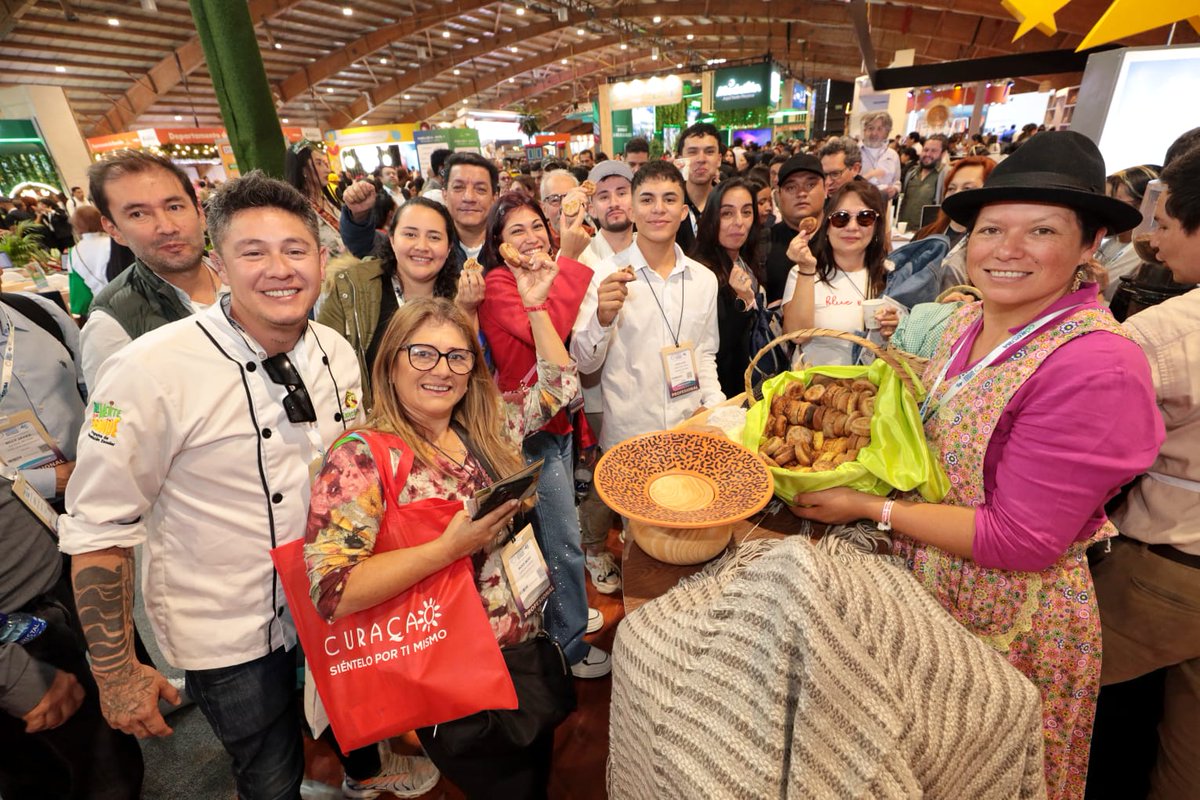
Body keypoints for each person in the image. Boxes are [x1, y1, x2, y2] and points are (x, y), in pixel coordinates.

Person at [788, 131, 1164, 800]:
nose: (1007, 250)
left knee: (982, 774)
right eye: (992, 229)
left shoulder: (1095, 365)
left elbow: (1022, 539)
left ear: (1088, 245)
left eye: (1041, 230)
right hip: (935, 592)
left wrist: (867, 507)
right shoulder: (978, 320)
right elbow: (947, 406)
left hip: (1009, 622)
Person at [60, 173, 365, 800]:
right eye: (253, 252)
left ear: (322, 259)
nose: (278, 269)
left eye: (295, 249)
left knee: (342, 724)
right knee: (267, 770)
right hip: (227, 629)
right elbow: (97, 525)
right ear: (220, 264)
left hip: (327, 602)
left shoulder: (335, 349)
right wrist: (116, 670)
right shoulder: (148, 368)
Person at [305, 289, 578, 798]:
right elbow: (332, 590)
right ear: (390, 364)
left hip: (522, 651)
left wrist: (538, 305)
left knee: (532, 774)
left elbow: (560, 388)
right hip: (452, 675)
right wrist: (448, 549)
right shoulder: (361, 458)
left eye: (457, 356)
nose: (442, 369)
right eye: (423, 353)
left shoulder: (484, 425)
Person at [0, 292, 145, 800]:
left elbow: (97, 396)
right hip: (12, 618)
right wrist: (11, 675)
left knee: (108, 751)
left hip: (65, 533)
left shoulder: (33, 312)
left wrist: (104, 459)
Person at [1090, 142, 1200, 800]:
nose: (1153, 242)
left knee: (1036, 689)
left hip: (1167, 570)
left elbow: (1083, 430)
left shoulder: (1168, 333)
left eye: (1163, 224)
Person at [477, 194, 611, 677]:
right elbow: (551, 330)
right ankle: (568, 647)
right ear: (499, 245)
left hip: (555, 420)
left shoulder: (538, 273)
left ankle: (563, 618)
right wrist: (570, 260)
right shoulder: (497, 282)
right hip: (527, 430)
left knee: (556, 534)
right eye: (517, 231)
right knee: (561, 541)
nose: (532, 237)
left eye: (537, 226)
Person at [570, 160, 724, 450]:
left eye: (669, 199)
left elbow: (704, 353)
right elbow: (584, 363)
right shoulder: (605, 275)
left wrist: (714, 406)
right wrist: (602, 319)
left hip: (690, 428)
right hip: (629, 439)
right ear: (632, 210)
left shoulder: (704, 279)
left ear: (683, 212)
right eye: (647, 199)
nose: (658, 209)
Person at [80, 149, 225, 390]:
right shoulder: (112, 325)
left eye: (175, 207)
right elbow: (110, 420)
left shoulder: (244, 277)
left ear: (199, 213)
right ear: (113, 229)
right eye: (138, 214)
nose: (167, 227)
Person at [320, 197, 483, 407]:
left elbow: (470, 374)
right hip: (369, 426)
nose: (422, 246)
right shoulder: (352, 288)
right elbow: (323, 366)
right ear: (391, 239)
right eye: (410, 234)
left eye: (434, 237)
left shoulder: (463, 295)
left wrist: (466, 311)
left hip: (440, 426)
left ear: (449, 247)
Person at [689, 177, 787, 397]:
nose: (739, 222)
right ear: (712, 217)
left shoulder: (745, 259)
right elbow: (711, 349)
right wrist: (741, 303)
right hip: (721, 392)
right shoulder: (700, 272)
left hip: (753, 383)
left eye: (746, 212)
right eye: (727, 213)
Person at [781, 182, 889, 365]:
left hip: (873, 387)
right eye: (841, 218)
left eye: (865, 218)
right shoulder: (804, 272)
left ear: (876, 226)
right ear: (827, 226)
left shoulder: (892, 275)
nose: (852, 227)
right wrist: (806, 270)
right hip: (814, 388)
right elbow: (797, 336)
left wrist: (896, 327)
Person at [764, 154, 827, 303]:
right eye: (791, 187)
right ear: (779, 195)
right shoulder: (764, 242)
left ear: (825, 189)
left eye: (810, 185)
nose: (801, 193)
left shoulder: (843, 237)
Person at [1097, 164, 1159, 301]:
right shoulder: (1113, 240)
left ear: (1143, 205)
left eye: (1114, 202)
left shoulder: (1143, 253)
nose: (1103, 210)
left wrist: (1095, 291)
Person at [284, 140, 347, 255]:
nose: (328, 170)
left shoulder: (331, 200)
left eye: (325, 164)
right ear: (303, 170)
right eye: (319, 163)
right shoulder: (297, 210)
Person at [576, 160, 634, 271]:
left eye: (621, 193)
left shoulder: (652, 250)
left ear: (636, 201)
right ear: (592, 209)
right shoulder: (579, 257)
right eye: (604, 197)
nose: (614, 203)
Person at [675, 122, 723, 252]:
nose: (701, 159)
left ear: (719, 159)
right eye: (692, 152)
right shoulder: (669, 204)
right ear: (680, 160)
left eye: (709, 151)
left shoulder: (728, 202)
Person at [442, 152, 498, 261]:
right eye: (458, 187)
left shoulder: (508, 246)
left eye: (480, 189)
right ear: (445, 194)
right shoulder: (434, 251)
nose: (469, 198)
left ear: (494, 198)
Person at [63, 205, 115, 316]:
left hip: (100, 306)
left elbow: (77, 285)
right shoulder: (114, 242)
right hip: (128, 296)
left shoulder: (73, 252)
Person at [897, 134, 947, 229]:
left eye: (934, 151)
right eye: (926, 150)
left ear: (943, 154)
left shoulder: (945, 175)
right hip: (905, 232)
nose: (928, 154)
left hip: (928, 233)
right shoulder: (911, 172)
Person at [859, 111, 902, 200]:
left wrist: (895, 190)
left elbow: (897, 182)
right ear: (864, 130)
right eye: (870, 128)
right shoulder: (854, 152)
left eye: (879, 129)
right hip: (858, 202)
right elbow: (846, 183)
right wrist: (868, 175)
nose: (874, 133)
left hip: (883, 205)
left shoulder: (893, 155)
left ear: (887, 133)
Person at [818, 137, 863, 203]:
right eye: (824, 175)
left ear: (855, 169)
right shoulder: (818, 202)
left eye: (835, 174)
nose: (828, 182)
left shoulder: (870, 204)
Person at [539, 168, 579, 243]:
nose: (563, 208)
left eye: (570, 199)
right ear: (544, 208)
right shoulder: (539, 244)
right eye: (555, 200)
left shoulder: (593, 238)